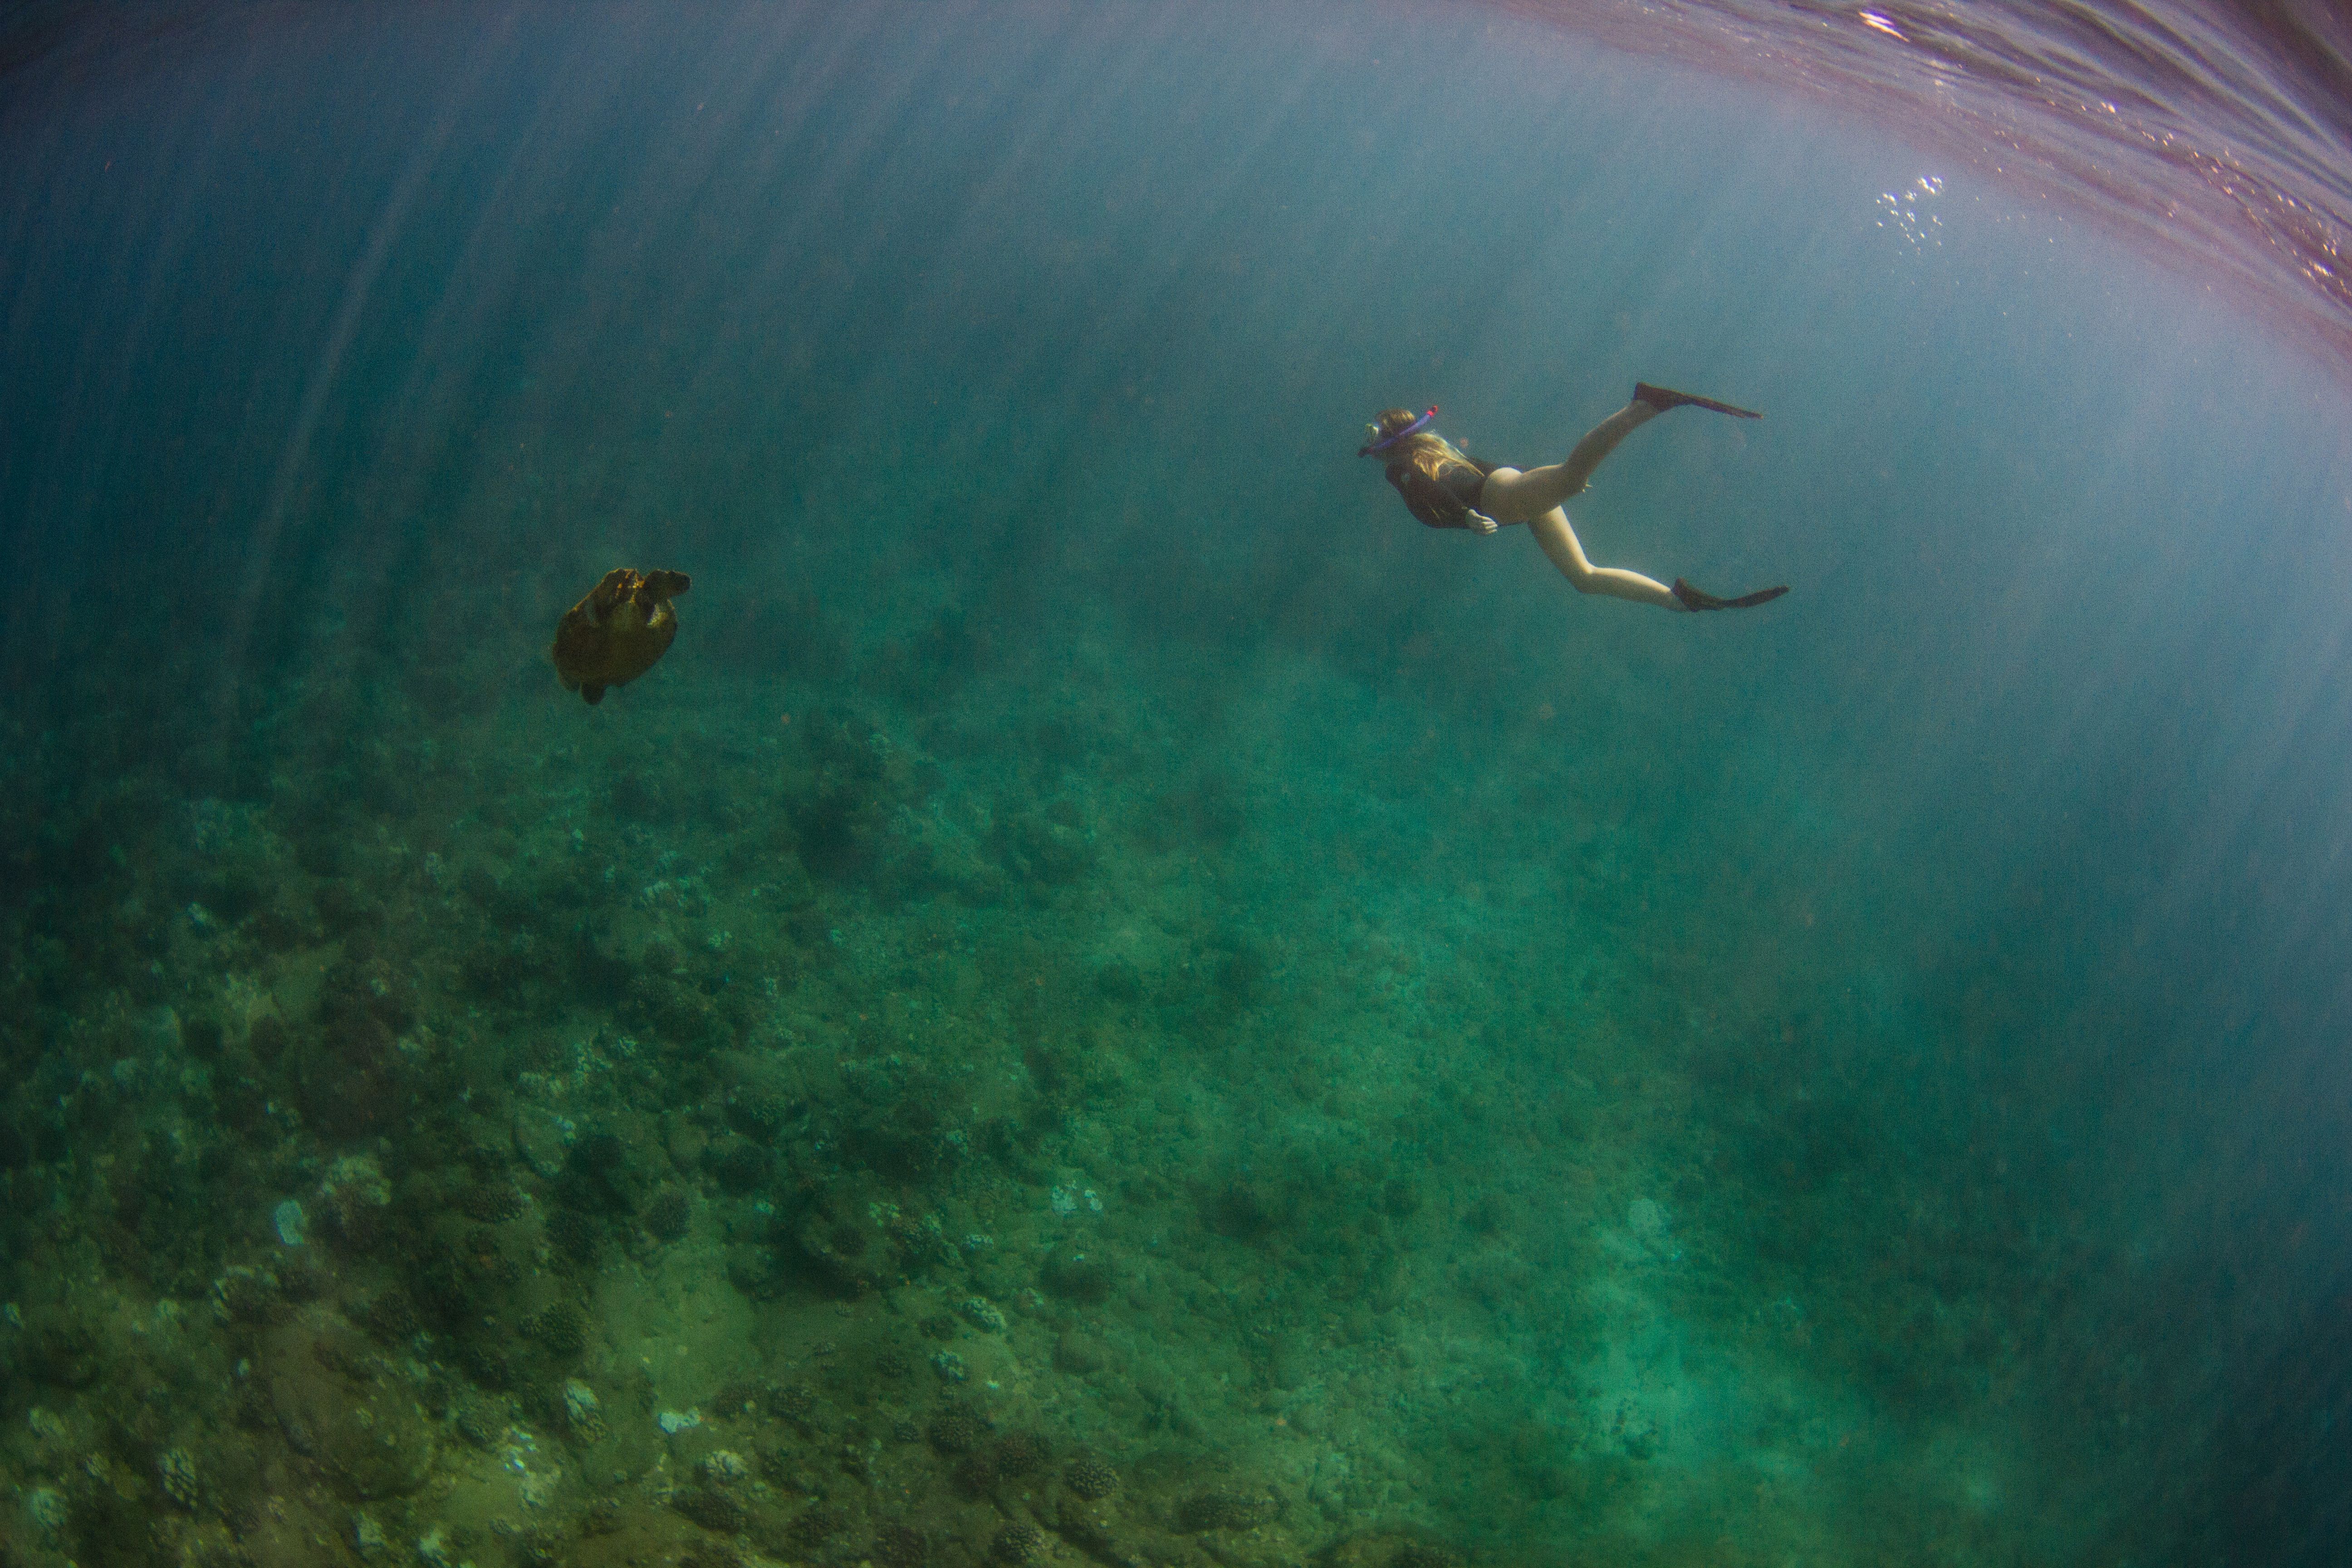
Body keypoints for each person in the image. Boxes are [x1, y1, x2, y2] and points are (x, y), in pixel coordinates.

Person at [1359, 385, 1788, 612]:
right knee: (1583, 575)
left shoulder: (1404, 468)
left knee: (1570, 476)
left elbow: (1427, 493)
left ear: (1388, 446)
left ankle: (1645, 406)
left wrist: (1468, 516)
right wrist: (1474, 510)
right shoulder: (1433, 451)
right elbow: (1453, 480)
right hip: (1505, 491)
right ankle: (1679, 601)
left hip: (1498, 500)